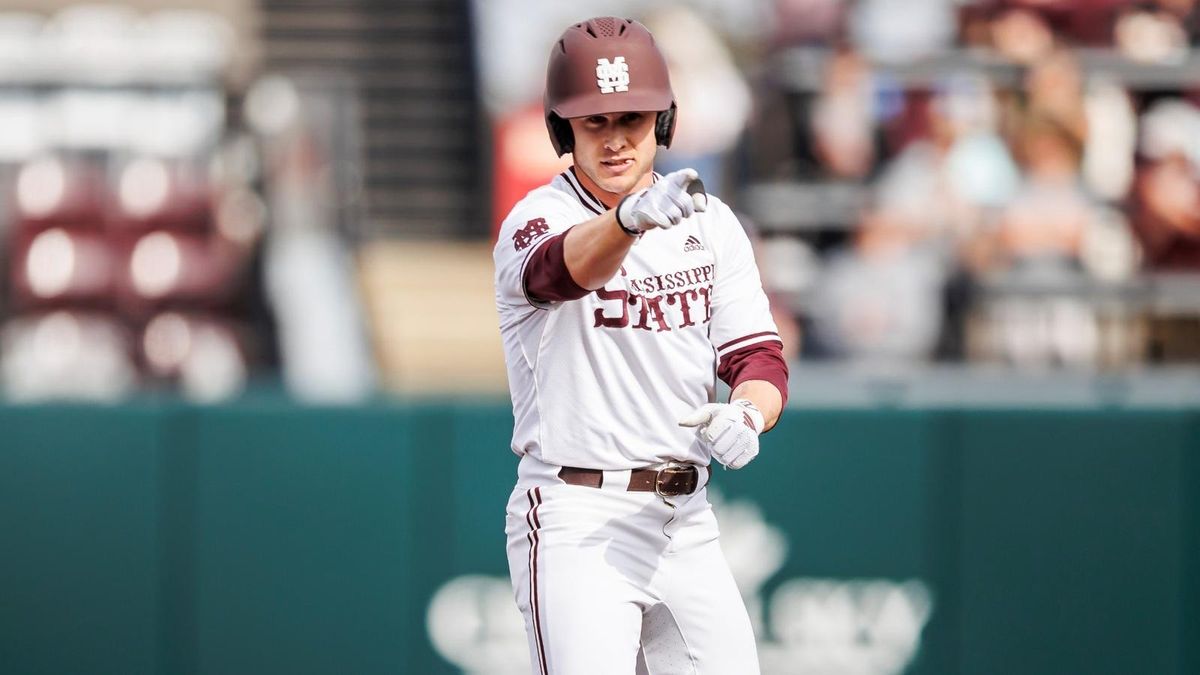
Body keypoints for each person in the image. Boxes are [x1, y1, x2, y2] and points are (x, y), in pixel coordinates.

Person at [492, 16, 789, 675]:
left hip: (686, 517)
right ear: (563, 130)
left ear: (663, 120)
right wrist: (625, 221)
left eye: (632, 117)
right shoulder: (538, 217)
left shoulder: (711, 221)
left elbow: (757, 358)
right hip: (577, 512)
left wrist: (749, 412)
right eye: (595, 121)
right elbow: (560, 271)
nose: (616, 138)